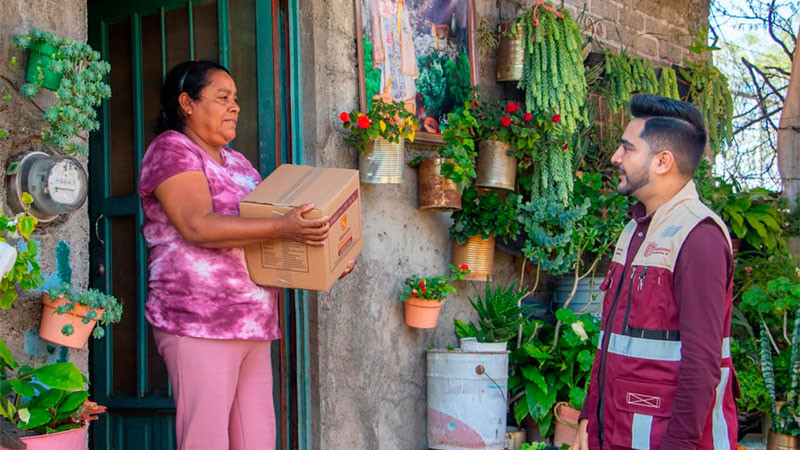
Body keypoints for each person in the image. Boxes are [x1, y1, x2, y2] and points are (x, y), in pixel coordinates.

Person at [138, 60, 354, 450]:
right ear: (187, 103)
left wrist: (328, 260)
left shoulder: (239, 164)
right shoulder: (172, 149)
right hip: (198, 321)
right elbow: (198, 226)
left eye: (235, 99)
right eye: (223, 98)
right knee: (205, 441)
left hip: (253, 321)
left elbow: (266, 242)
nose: (235, 107)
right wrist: (285, 226)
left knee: (256, 441)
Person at [571, 95, 738, 450]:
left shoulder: (699, 237)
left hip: (664, 438)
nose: (616, 158)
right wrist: (588, 418)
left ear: (663, 161)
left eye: (627, 149)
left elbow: (701, 365)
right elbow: (611, 341)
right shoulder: (636, 228)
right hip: (616, 430)